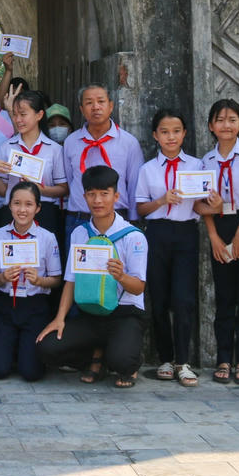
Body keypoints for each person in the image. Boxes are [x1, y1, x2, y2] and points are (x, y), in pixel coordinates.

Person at [36, 165, 148, 388]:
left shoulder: (133, 236)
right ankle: (96, 355)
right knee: (46, 348)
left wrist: (121, 276)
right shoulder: (80, 233)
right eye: (91, 194)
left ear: (116, 196)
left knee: (122, 363)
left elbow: (138, 288)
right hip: (91, 312)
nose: (97, 200)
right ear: (84, 196)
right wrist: (59, 319)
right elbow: (71, 279)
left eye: (104, 194)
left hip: (124, 312)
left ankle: (127, 357)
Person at [193, 99, 239, 385]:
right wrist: (213, 236)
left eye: (232, 119)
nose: (226, 125)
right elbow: (200, 204)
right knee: (224, 297)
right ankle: (223, 359)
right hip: (220, 226)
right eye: (220, 120)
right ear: (211, 126)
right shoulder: (206, 162)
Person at [135, 109, 204, 387]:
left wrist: (211, 201)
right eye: (164, 132)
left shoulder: (197, 166)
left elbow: (202, 205)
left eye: (176, 131)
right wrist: (162, 200)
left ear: (184, 133)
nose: (171, 137)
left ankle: (183, 361)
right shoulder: (148, 169)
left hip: (186, 232)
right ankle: (165, 358)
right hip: (157, 233)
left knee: (184, 298)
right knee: (160, 297)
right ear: (155, 135)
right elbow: (140, 208)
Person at [0, 181, 62, 381]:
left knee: (31, 373)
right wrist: (2, 277)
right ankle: (9, 350)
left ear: (38, 208)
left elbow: (56, 280)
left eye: (29, 204)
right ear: (9, 205)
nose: (22, 209)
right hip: (5, 304)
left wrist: (39, 281)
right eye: (17, 203)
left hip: (35, 306)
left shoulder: (47, 238)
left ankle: (22, 352)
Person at [62, 84, 143, 235]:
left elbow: (134, 185)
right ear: (81, 109)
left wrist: (132, 222)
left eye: (101, 101)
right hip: (79, 219)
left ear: (111, 106)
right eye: (89, 103)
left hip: (117, 219)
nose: (95, 107)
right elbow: (70, 179)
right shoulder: (71, 142)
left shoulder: (129, 143)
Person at [0, 90, 68, 242]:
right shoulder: (6, 147)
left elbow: (63, 188)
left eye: (23, 114)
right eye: (15, 115)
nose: (17, 119)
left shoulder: (54, 149)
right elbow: (3, 191)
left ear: (39, 115)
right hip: (13, 212)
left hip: (44, 212)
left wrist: (40, 189)